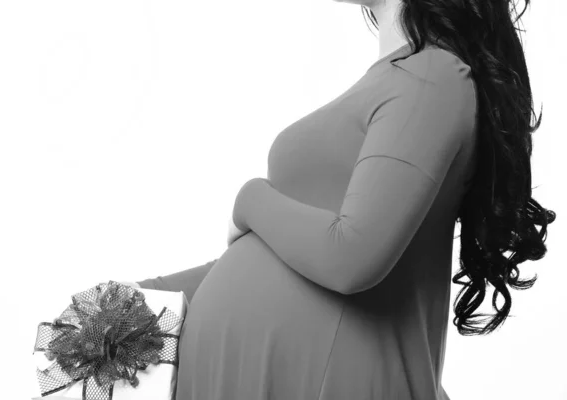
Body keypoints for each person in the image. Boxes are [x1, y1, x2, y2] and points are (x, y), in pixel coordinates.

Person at [130, 0, 554, 398]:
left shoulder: (434, 76)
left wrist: (249, 199)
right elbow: (284, 255)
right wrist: (136, 298)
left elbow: (352, 253)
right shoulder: (400, 78)